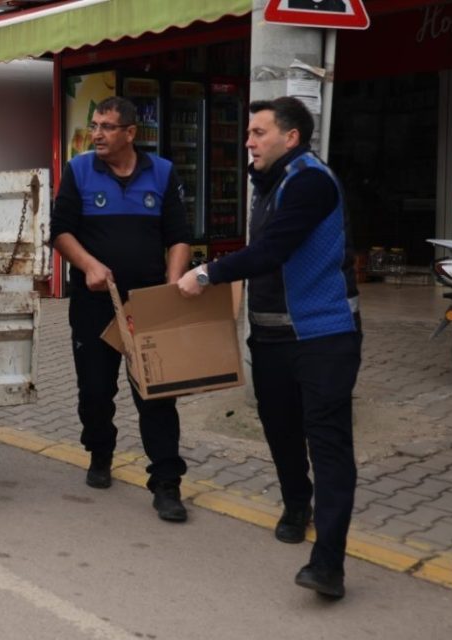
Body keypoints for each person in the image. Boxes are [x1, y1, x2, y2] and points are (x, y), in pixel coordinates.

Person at [177, 97, 361, 599]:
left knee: (327, 441)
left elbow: (272, 250)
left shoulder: (309, 181)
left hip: (324, 336)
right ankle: (296, 503)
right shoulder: (268, 183)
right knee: (280, 429)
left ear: (291, 137)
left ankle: (329, 565)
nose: (249, 142)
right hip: (272, 335)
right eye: (249, 134)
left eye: (259, 133)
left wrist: (207, 272)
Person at [50, 96, 192, 522]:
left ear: (131, 133)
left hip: (146, 306)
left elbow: (179, 235)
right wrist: (89, 265)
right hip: (94, 305)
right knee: (95, 392)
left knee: (157, 397)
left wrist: (171, 286)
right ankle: (100, 449)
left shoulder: (162, 173)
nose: (97, 134)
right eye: (95, 125)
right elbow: (60, 233)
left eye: (107, 127)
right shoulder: (78, 171)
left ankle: (166, 483)